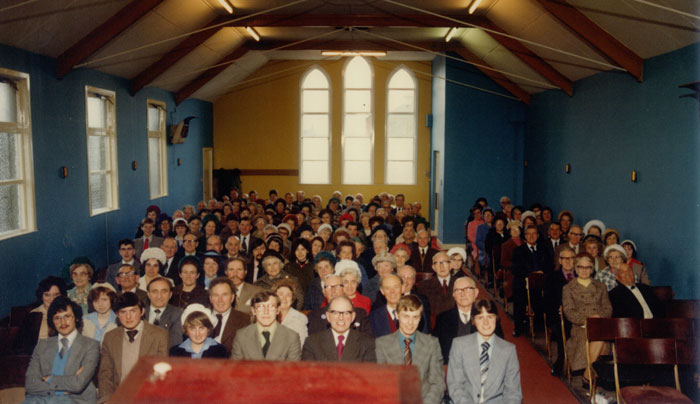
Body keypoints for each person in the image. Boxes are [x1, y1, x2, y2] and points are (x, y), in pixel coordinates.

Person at [23, 297, 100, 404]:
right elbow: (30, 384)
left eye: (67, 316)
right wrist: (63, 388)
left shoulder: (91, 345)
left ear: (76, 318)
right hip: (39, 398)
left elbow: (78, 385)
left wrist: (49, 378)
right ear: (52, 322)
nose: (62, 322)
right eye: (57, 318)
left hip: (75, 400)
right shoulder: (42, 345)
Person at [447, 298, 522, 404]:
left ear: (496, 319)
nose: (486, 322)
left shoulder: (508, 350)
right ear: (473, 321)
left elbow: (513, 393)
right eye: (480, 318)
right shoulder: (459, 345)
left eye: (490, 317)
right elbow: (455, 385)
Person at [98, 292, 169, 402]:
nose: (128, 317)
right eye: (123, 312)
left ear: (142, 311)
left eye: (133, 311)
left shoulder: (159, 335)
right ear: (117, 314)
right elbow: (105, 373)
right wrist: (107, 400)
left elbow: (161, 375)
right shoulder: (110, 337)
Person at [376, 295, 445, 404]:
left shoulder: (431, 343)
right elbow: (380, 384)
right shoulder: (382, 344)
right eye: (406, 316)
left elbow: (438, 383)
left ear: (420, 318)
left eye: (415, 317)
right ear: (397, 315)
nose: (410, 323)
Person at [562, 253, 612, 383]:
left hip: (600, 323)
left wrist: (598, 316)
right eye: (581, 267)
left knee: (600, 334)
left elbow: (608, 308)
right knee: (600, 337)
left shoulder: (601, 286)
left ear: (592, 269)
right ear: (576, 269)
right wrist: (586, 319)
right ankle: (592, 373)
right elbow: (569, 311)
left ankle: (588, 374)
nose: (584, 270)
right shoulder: (568, 288)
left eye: (587, 268)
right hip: (581, 327)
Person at [433, 277, 503, 365]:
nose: (463, 294)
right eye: (458, 290)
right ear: (453, 295)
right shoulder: (443, 318)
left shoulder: (488, 317)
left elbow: (500, 347)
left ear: (476, 292)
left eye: (468, 289)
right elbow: (436, 350)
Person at [231, 291, 302, 361]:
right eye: (261, 307)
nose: (266, 312)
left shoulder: (291, 337)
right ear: (253, 311)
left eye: (271, 307)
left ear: (278, 310)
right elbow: (235, 369)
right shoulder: (241, 336)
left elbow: (292, 371)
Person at [301, 296, 375, 362]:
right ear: (328, 316)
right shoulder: (312, 343)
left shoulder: (367, 343)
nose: (341, 318)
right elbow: (309, 375)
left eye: (346, 313)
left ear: (353, 317)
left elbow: (368, 375)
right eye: (335, 313)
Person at [511, 225, 553, 336]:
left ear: (538, 236)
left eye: (534, 233)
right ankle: (518, 327)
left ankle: (541, 325)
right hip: (524, 282)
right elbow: (515, 269)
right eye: (528, 234)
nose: (531, 236)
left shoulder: (544, 249)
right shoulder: (518, 250)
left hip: (541, 281)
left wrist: (542, 272)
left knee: (549, 295)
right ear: (525, 236)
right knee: (519, 295)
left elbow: (550, 266)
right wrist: (530, 275)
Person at [542, 246, 576, 376]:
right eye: (565, 258)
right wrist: (560, 309)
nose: (568, 261)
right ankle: (561, 361)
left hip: (578, 315)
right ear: (560, 261)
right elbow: (547, 302)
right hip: (558, 316)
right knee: (564, 329)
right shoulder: (552, 277)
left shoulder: (580, 275)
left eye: (571, 258)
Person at [307, 274, 373, 336]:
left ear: (343, 289)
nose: (333, 290)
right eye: (329, 287)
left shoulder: (359, 314)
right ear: (324, 292)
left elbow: (368, 341)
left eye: (337, 286)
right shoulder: (314, 316)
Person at [17, 276, 67, 355]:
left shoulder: (68, 313)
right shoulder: (33, 315)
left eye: (55, 295)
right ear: (41, 296)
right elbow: (24, 345)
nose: (51, 299)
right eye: (47, 295)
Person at [208, 277, 251, 355]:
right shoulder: (202, 318)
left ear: (232, 297)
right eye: (216, 295)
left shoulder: (245, 320)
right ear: (211, 298)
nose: (220, 300)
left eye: (225, 295)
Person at [144, 277, 183, 348]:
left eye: (164, 291)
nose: (159, 296)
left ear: (170, 294)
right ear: (148, 294)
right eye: (155, 291)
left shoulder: (177, 313)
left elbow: (176, 341)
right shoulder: (140, 312)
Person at [416, 251, 457, 317]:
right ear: (433, 267)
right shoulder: (423, 286)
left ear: (451, 265)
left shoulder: (460, 283)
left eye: (444, 262)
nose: (441, 266)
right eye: (437, 263)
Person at [273, 278, 309, 346]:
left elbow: (301, 345)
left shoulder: (299, 319)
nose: (284, 298)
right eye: (281, 294)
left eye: (288, 295)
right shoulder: (268, 315)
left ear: (292, 299)